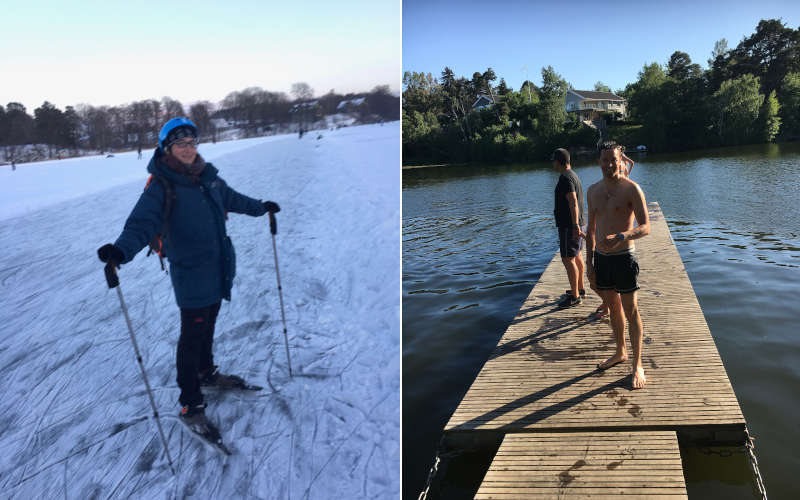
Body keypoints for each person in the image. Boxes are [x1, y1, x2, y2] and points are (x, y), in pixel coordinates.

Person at [96, 117, 281, 430]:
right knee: (192, 337)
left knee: (208, 326)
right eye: (180, 143)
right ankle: (190, 405)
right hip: (191, 273)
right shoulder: (161, 185)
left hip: (219, 267)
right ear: (167, 147)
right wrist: (120, 251)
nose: (187, 148)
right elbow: (142, 223)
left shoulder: (208, 177)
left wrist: (262, 207)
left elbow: (234, 199)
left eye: (191, 142)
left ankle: (206, 373)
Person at [586, 140, 650, 389]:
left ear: (622, 160)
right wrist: (589, 265)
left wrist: (623, 236)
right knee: (613, 307)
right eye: (605, 160)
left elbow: (646, 227)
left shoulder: (632, 189)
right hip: (602, 259)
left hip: (624, 257)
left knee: (631, 309)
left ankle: (637, 364)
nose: (609, 164)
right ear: (599, 161)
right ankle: (620, 352)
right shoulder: (592, 191)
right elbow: (590, 230)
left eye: (614, 159)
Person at [552, 148, 586, 308]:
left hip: (569, 226)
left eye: (554, 161)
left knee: (568, 259)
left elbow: (573, 201)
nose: (553, 164)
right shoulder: (573, 175)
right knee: (577, 256)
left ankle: (575, 296)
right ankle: (579, 288)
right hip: (577, 223)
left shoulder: (565, 178)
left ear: (558, 161)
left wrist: (574, 225)